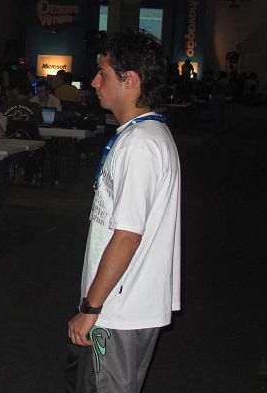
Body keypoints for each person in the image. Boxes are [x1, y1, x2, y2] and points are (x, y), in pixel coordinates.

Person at [66, 30, 181, 393]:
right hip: (123, 305)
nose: (95, 81)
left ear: (130, 80)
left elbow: (128, 235)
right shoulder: (141, 136)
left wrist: (91, 306)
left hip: (119, 309)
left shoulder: (141, 146)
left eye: (104, 73)